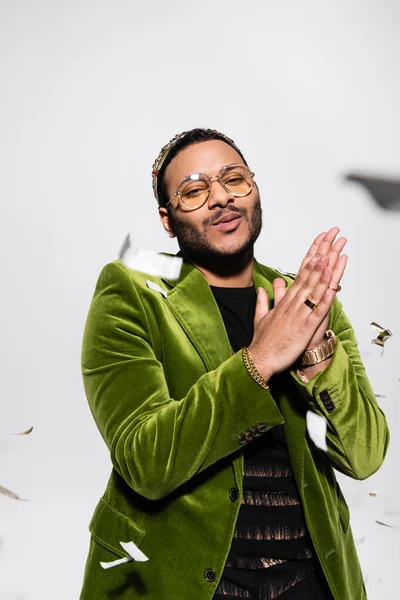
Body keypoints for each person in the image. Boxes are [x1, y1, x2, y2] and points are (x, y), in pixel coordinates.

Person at [79, 128, 389, 599]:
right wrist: (259, 360)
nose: (221, 198)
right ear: (167, 219)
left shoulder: (304, 300)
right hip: (183, 581)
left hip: (312, 582)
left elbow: (363, 456)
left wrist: (315, 356)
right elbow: (145, 461)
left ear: (255, 190)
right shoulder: (132, 290)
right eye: (195, 190)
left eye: (234, 180)